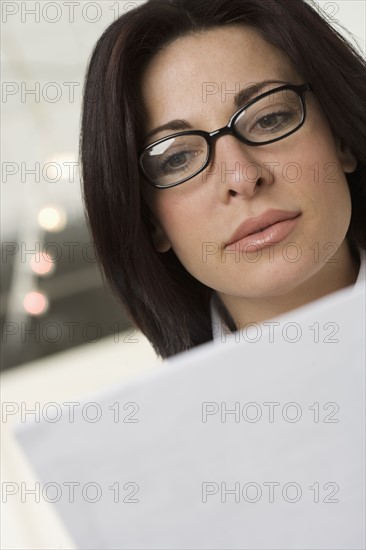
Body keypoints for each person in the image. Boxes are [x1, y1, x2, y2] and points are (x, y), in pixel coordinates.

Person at [80, 0, 366, 358]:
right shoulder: (165, 414)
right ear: (152, 221)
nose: (243, 177)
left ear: (341, 139)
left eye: (269, 118)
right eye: (178, 158)